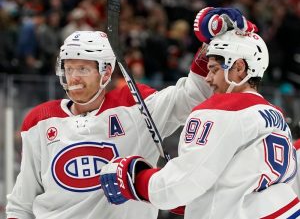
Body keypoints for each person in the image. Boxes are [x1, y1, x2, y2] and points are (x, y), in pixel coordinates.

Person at [6, 7, 256, 219]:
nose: (73, 78)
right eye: (69, 68)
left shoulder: (135, 105)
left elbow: (192, 94)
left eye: (82, 69)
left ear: (105, 73)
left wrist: (215, 40)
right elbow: (22, 201)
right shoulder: (39, 120)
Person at [99, 29, 300, 218]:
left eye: (213, 69)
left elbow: (179, 185)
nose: (208, 78)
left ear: (239, 67)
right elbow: (237, 181)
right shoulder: (276, 116)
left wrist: (133, 179)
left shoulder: (222, 109)